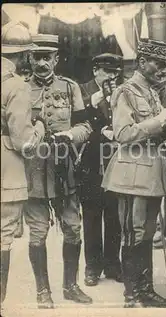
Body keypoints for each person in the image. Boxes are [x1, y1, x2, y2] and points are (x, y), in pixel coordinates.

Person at [101, 39, 166, 308]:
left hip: (152, 174)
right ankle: (132, 296)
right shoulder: (126, 92)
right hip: (131, 176)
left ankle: (146, 290)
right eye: (158, 63)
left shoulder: (153, 92)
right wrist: (159, 122)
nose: (163, 69)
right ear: (142, 62)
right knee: (133, 234)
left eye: (165, 64)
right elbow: (123, 133)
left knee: (145, 234)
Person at [23, 34, 93, 308]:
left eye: (47, 57)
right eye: (37, 56)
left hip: (65, 170)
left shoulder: (70, 87)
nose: (42, 62)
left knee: (73, 228)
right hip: (34, 172)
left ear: (56, 59)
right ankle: (43, 291)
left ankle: (70, 285)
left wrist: (69, 135)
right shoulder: (19, 89)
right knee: (38, 231)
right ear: (29, 58)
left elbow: (86, 126)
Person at [1, 22, 46, 308]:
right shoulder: (16, 85)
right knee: (4, 234)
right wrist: (39, 126)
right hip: (6, 166)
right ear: (24, 55)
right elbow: (23, 142)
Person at [78, 53, 123, 287]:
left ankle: (113, 265)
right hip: (92, 161)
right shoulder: (81, 90)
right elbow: (75, 121)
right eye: (107, 72)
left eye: (116, 72)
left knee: (114, 214)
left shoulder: (120, 90)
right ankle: (92, 267)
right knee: (93, 216)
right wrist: (92, 103)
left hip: (115, 159)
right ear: (96, 71)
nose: (112, 76)